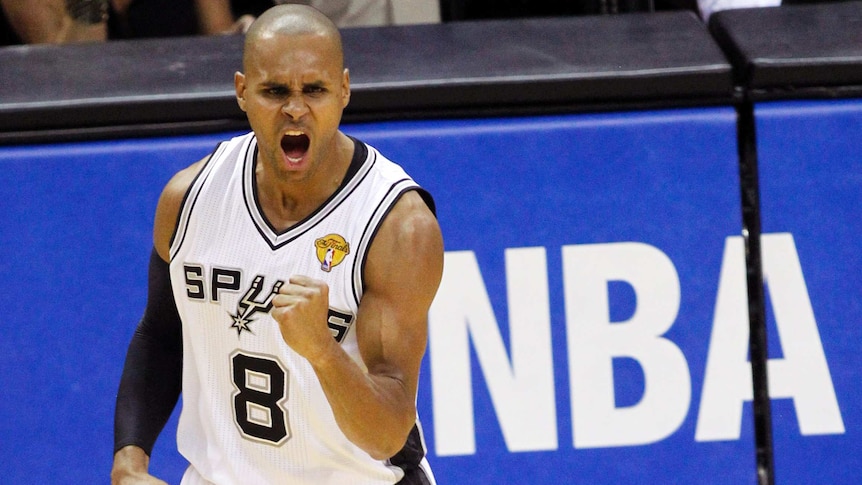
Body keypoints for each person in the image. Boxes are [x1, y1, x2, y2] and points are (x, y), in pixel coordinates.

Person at [109, 4, 444, 484]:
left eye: (315, 89)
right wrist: (130, 461)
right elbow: (161, 336)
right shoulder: (190, 200)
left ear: (344, 90)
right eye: (274, 91)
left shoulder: (397, 227)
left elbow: (387, 435)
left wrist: (323, 352)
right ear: (242, 91)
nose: (295, 108)